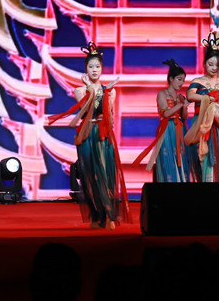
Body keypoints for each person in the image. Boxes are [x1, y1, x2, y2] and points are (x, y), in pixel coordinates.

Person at [47, 42, 130, 229]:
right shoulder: (80, 90)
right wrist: (93, 91)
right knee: (89, 176)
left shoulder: (111, 91)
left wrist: (105, 94)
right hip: (87, 134)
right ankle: (95, 216)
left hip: (103, 134)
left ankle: (109, 215)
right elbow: (89, 109)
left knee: (105, 174)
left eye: (97, 67)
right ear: (86, 69)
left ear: (102, 68)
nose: (94, 70)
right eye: (91, 66)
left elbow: (109, 115)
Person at [133, 59, 197, 182]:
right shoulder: (162, 94)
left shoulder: (180, 96)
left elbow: (184, 117)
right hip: (167, 129)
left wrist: (184, 107)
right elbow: (166, 113)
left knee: (182, 159)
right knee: (168, 159)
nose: (181, 83)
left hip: (180, 129)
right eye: (179, 79)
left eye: (183, 80)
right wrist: (180, 105)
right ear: (171, 79)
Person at [185, 33, 219, 183]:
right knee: (200, 157)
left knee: (218, 155)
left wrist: (209, 99)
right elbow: (190, 95)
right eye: (210, 64)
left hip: (216, 123)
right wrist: (208, 99)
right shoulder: (198, 81)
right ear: (204, 63)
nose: (214, 68)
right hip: (200, 122)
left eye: (217, 65)